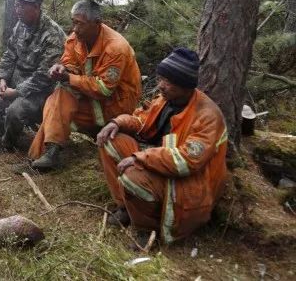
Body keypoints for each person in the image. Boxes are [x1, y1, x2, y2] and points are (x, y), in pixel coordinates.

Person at [96, 48, 228, 244]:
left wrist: (138, 158)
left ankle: (147, 228)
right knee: (111, 139)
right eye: (161, 79)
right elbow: (140, 121)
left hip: (189, 186)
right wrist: (117, 122)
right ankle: (125, 207)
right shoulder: (166, 100)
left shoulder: (207, 116)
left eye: (168, 82)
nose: (161, 86)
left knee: (132, 176)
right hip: (161, 163)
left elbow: (185, 161)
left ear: (185, 86)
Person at [18, 0, 142, 172]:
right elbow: (69, 60)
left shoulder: (116, 48)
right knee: (56, 100)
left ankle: (46, 154)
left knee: (58, 101)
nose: (75, 28)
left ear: (97, 23)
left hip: (114, 109)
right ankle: (43, 156)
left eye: (80, 24)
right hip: (91, 102)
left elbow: (104, 89)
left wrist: (69, 78)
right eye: (73, 22)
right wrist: (63, 68)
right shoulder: (76, 38)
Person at [0, 0, 65, 154]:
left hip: (40, 90)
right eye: (16, 5)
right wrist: (3, 79)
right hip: (16, 76)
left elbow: (44, 77)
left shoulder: (52, 34)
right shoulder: (21, 25)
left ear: (36, 7)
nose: (17, 10)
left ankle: (7, 143)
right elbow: (10, 54)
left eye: (22, 6)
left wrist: (16, 92)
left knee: (16, 109)